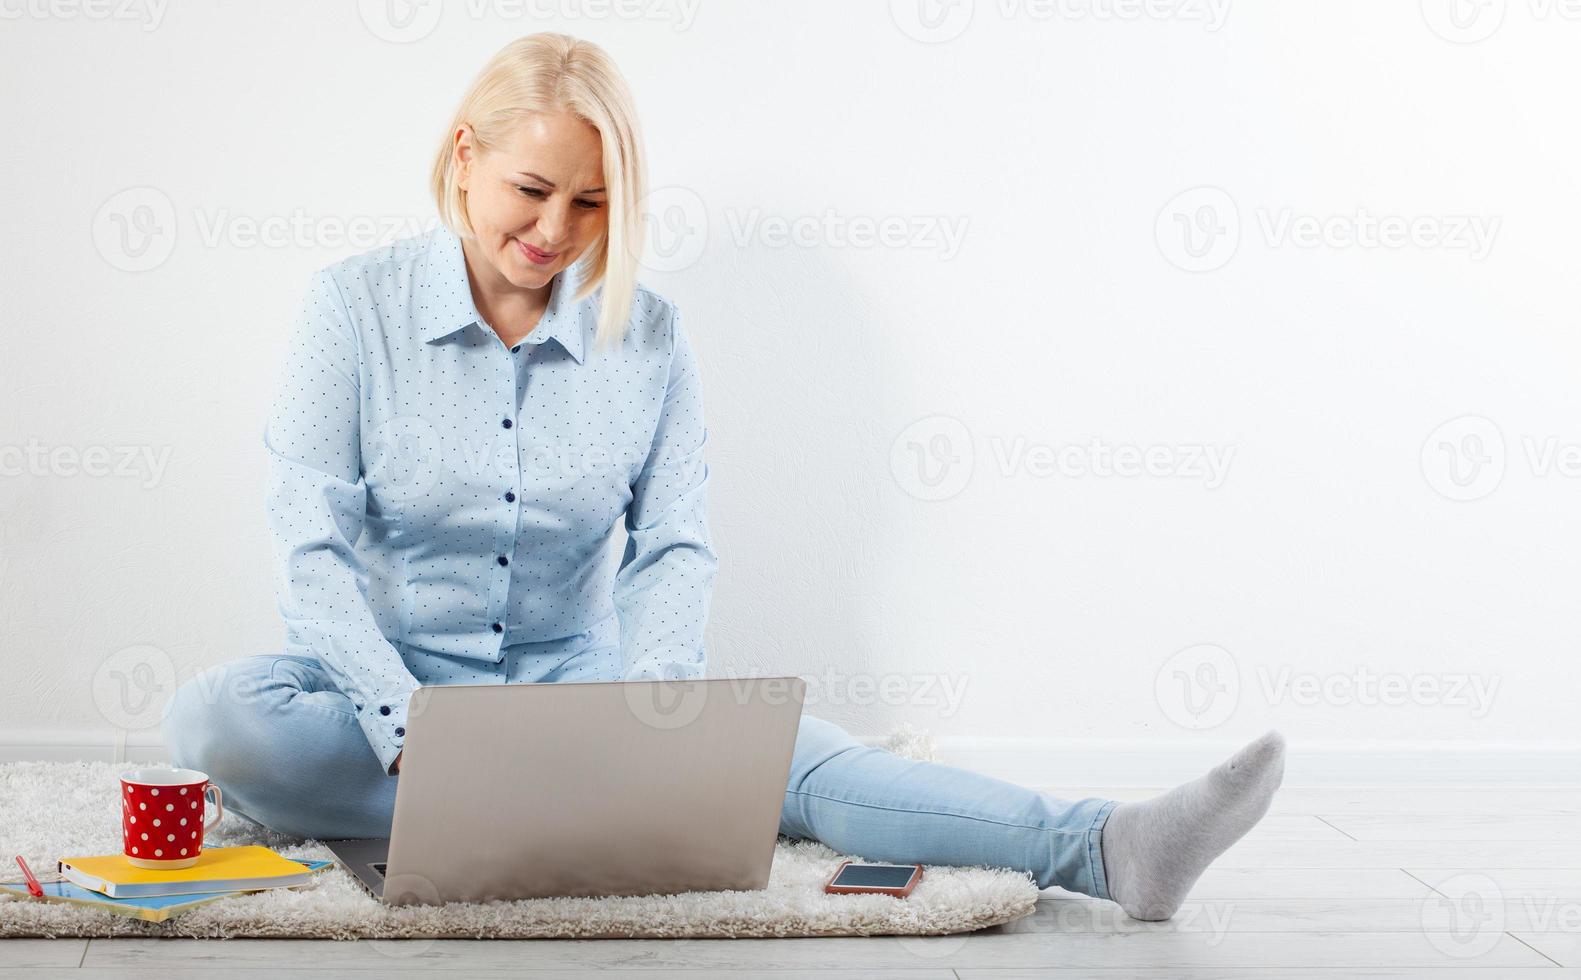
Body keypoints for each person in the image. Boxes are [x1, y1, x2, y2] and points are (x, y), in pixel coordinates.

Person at [161, 32, 1283, 921]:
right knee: (220, 718)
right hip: (390, 706)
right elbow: (307, 548)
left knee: (801, 754)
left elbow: (675, 545)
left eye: (592, 204)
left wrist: (660, 725)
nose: (555, 230)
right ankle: (542, 811)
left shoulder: (649, 339)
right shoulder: (349, 309)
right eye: (531, 189)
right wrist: (409, 725)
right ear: (464, 158)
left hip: (577, 697)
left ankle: (1104, 843)